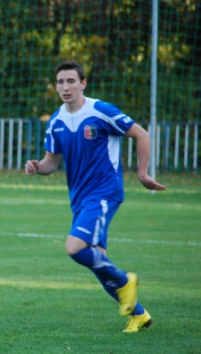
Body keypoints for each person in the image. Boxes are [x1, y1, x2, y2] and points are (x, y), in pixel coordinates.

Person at [25, 60, 166, 333]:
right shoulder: (56, 121)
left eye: (71, 81)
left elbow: (141, 134)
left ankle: (126, 281)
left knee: (74, 248)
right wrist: (36, 167)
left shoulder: (100, 111)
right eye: (60, 82)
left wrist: (142, 173)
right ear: (56, 86)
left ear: (82, 84)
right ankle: (139, 315)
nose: (65, 87)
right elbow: (51, 163)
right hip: (79, 200)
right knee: (99, 262)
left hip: (104, 192)